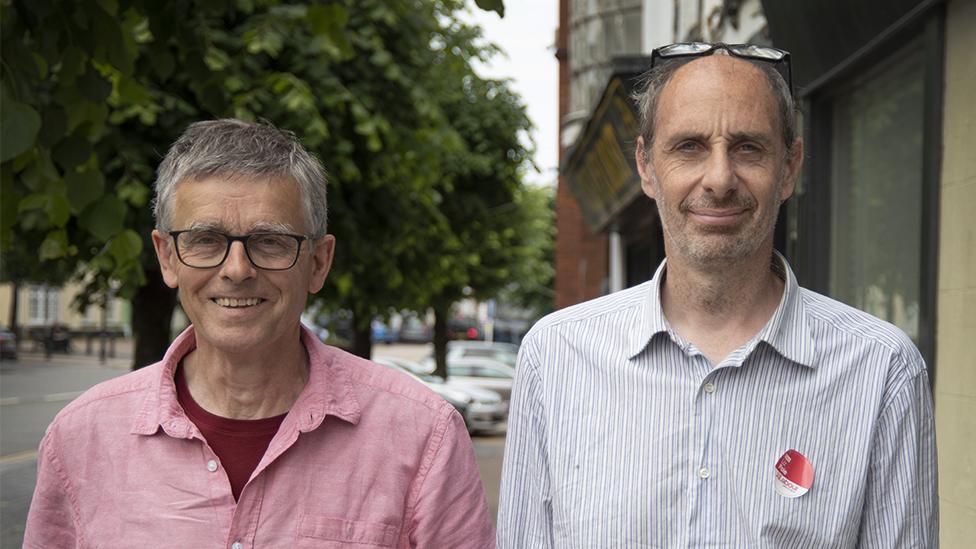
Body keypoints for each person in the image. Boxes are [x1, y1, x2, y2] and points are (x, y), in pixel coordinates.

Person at [498, 43, 937, 547]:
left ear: (790, 165)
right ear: (645, 165)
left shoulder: (881, 372)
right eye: (689, 146)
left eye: (748, 147)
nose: (720, 178)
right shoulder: (554, 357)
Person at [24, 119, 495, 547]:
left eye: (270, 241)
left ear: (319, 262)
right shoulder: (81, 438)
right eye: (205, 240)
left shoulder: (421, 437)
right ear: (167, 256)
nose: (236, 270)